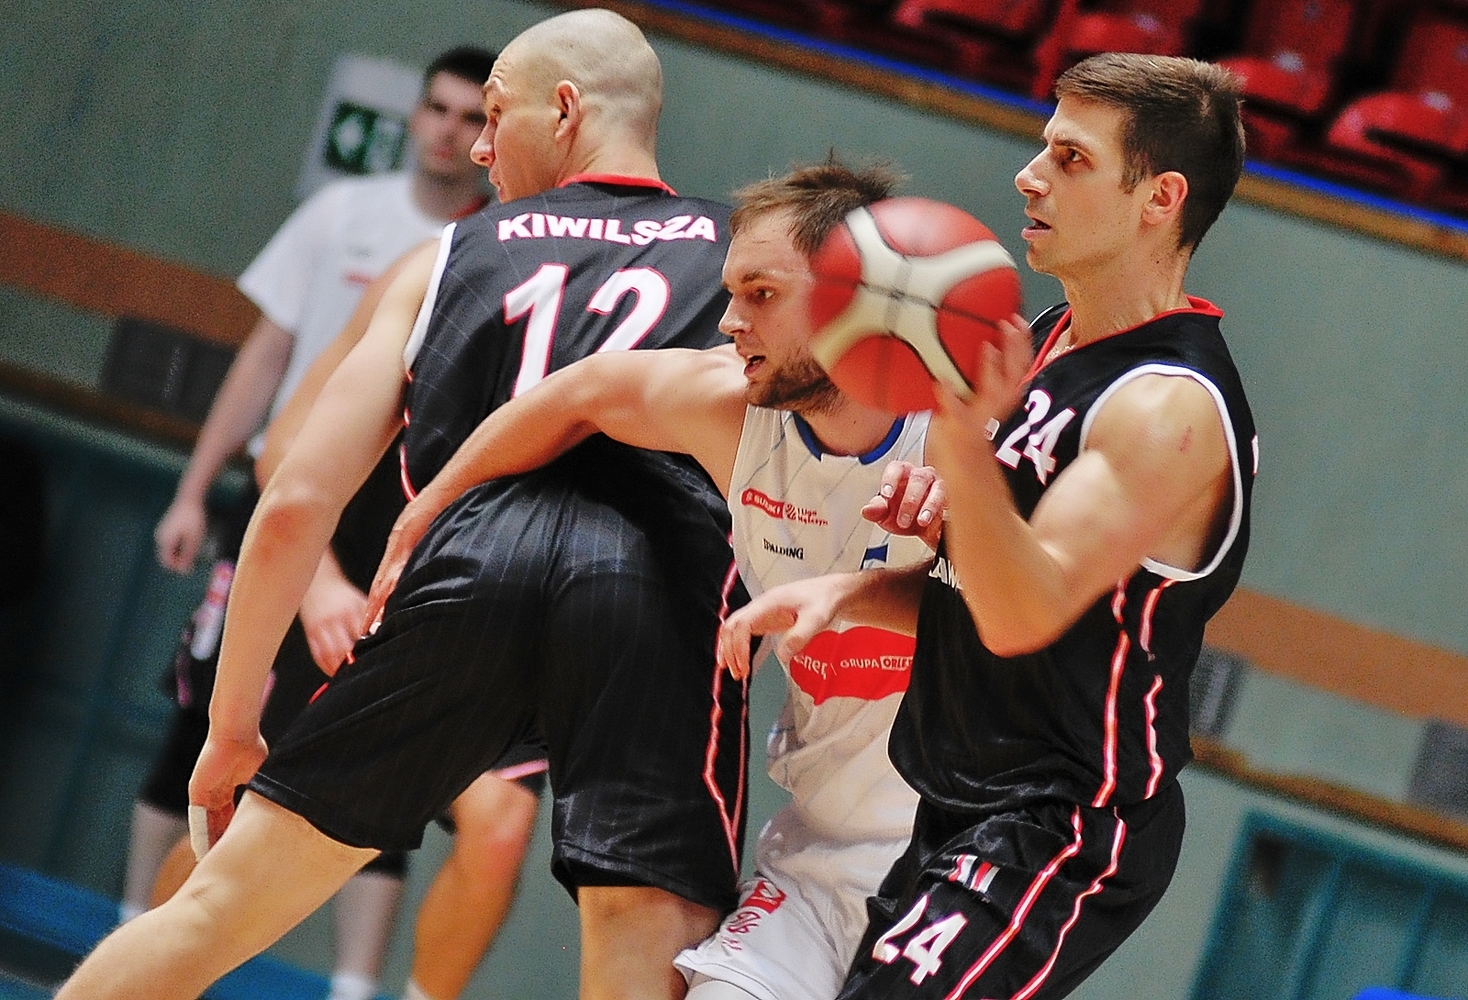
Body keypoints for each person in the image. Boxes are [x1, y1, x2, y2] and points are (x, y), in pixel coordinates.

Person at [59, 10, 747, 1000]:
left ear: (564, 110)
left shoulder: (445, 257)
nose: (480, 147)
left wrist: (231, 720)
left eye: (495, 115)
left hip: (463, 572)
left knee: (220, 905)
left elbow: (294, 496)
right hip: (658, 594)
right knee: (638, 934)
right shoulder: (748, 261)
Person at [719, 53, 1257, 1000]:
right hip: (952, 801)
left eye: (1071, 158)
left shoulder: (1165, 408)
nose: (1028, 175)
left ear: (1160, 197)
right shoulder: (1044, 339)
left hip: (1063, 824)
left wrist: (963, 450)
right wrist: (849, 591)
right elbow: (977, 585)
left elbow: (1021, 615)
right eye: (1043, 146)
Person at [359, 159, 945, 1000]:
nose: (731, 321)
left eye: (762, 295)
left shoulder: (970, 438)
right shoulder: (730, 410)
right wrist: (428, 510)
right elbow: (581, 393)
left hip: (961, 862)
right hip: (815, 860)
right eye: (731, 293)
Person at [121, 45, 541, 1000]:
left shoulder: (584, 293)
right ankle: (141, 964)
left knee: (495, 823)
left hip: (458, 590)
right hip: (332, 557)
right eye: (447, 114)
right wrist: (316, 584)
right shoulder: (407, 254)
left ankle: (376, 987)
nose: (461, 137)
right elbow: (282, 440)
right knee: (243, 802)